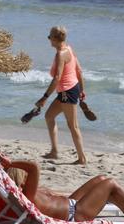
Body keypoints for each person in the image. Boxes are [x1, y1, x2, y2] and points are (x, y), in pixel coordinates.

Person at [32, 26, 87, 164]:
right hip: (70, 90)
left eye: (50, 36)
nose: (48, 39)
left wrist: (44, 97)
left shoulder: (61, 54)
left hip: (67, 92)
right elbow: (79, 70)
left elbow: (57, 78)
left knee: (73, 126)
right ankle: (54, 152)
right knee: (49, 116)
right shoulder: (69, 48)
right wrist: (81, 90)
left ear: (56, 39)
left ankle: (82, 158)